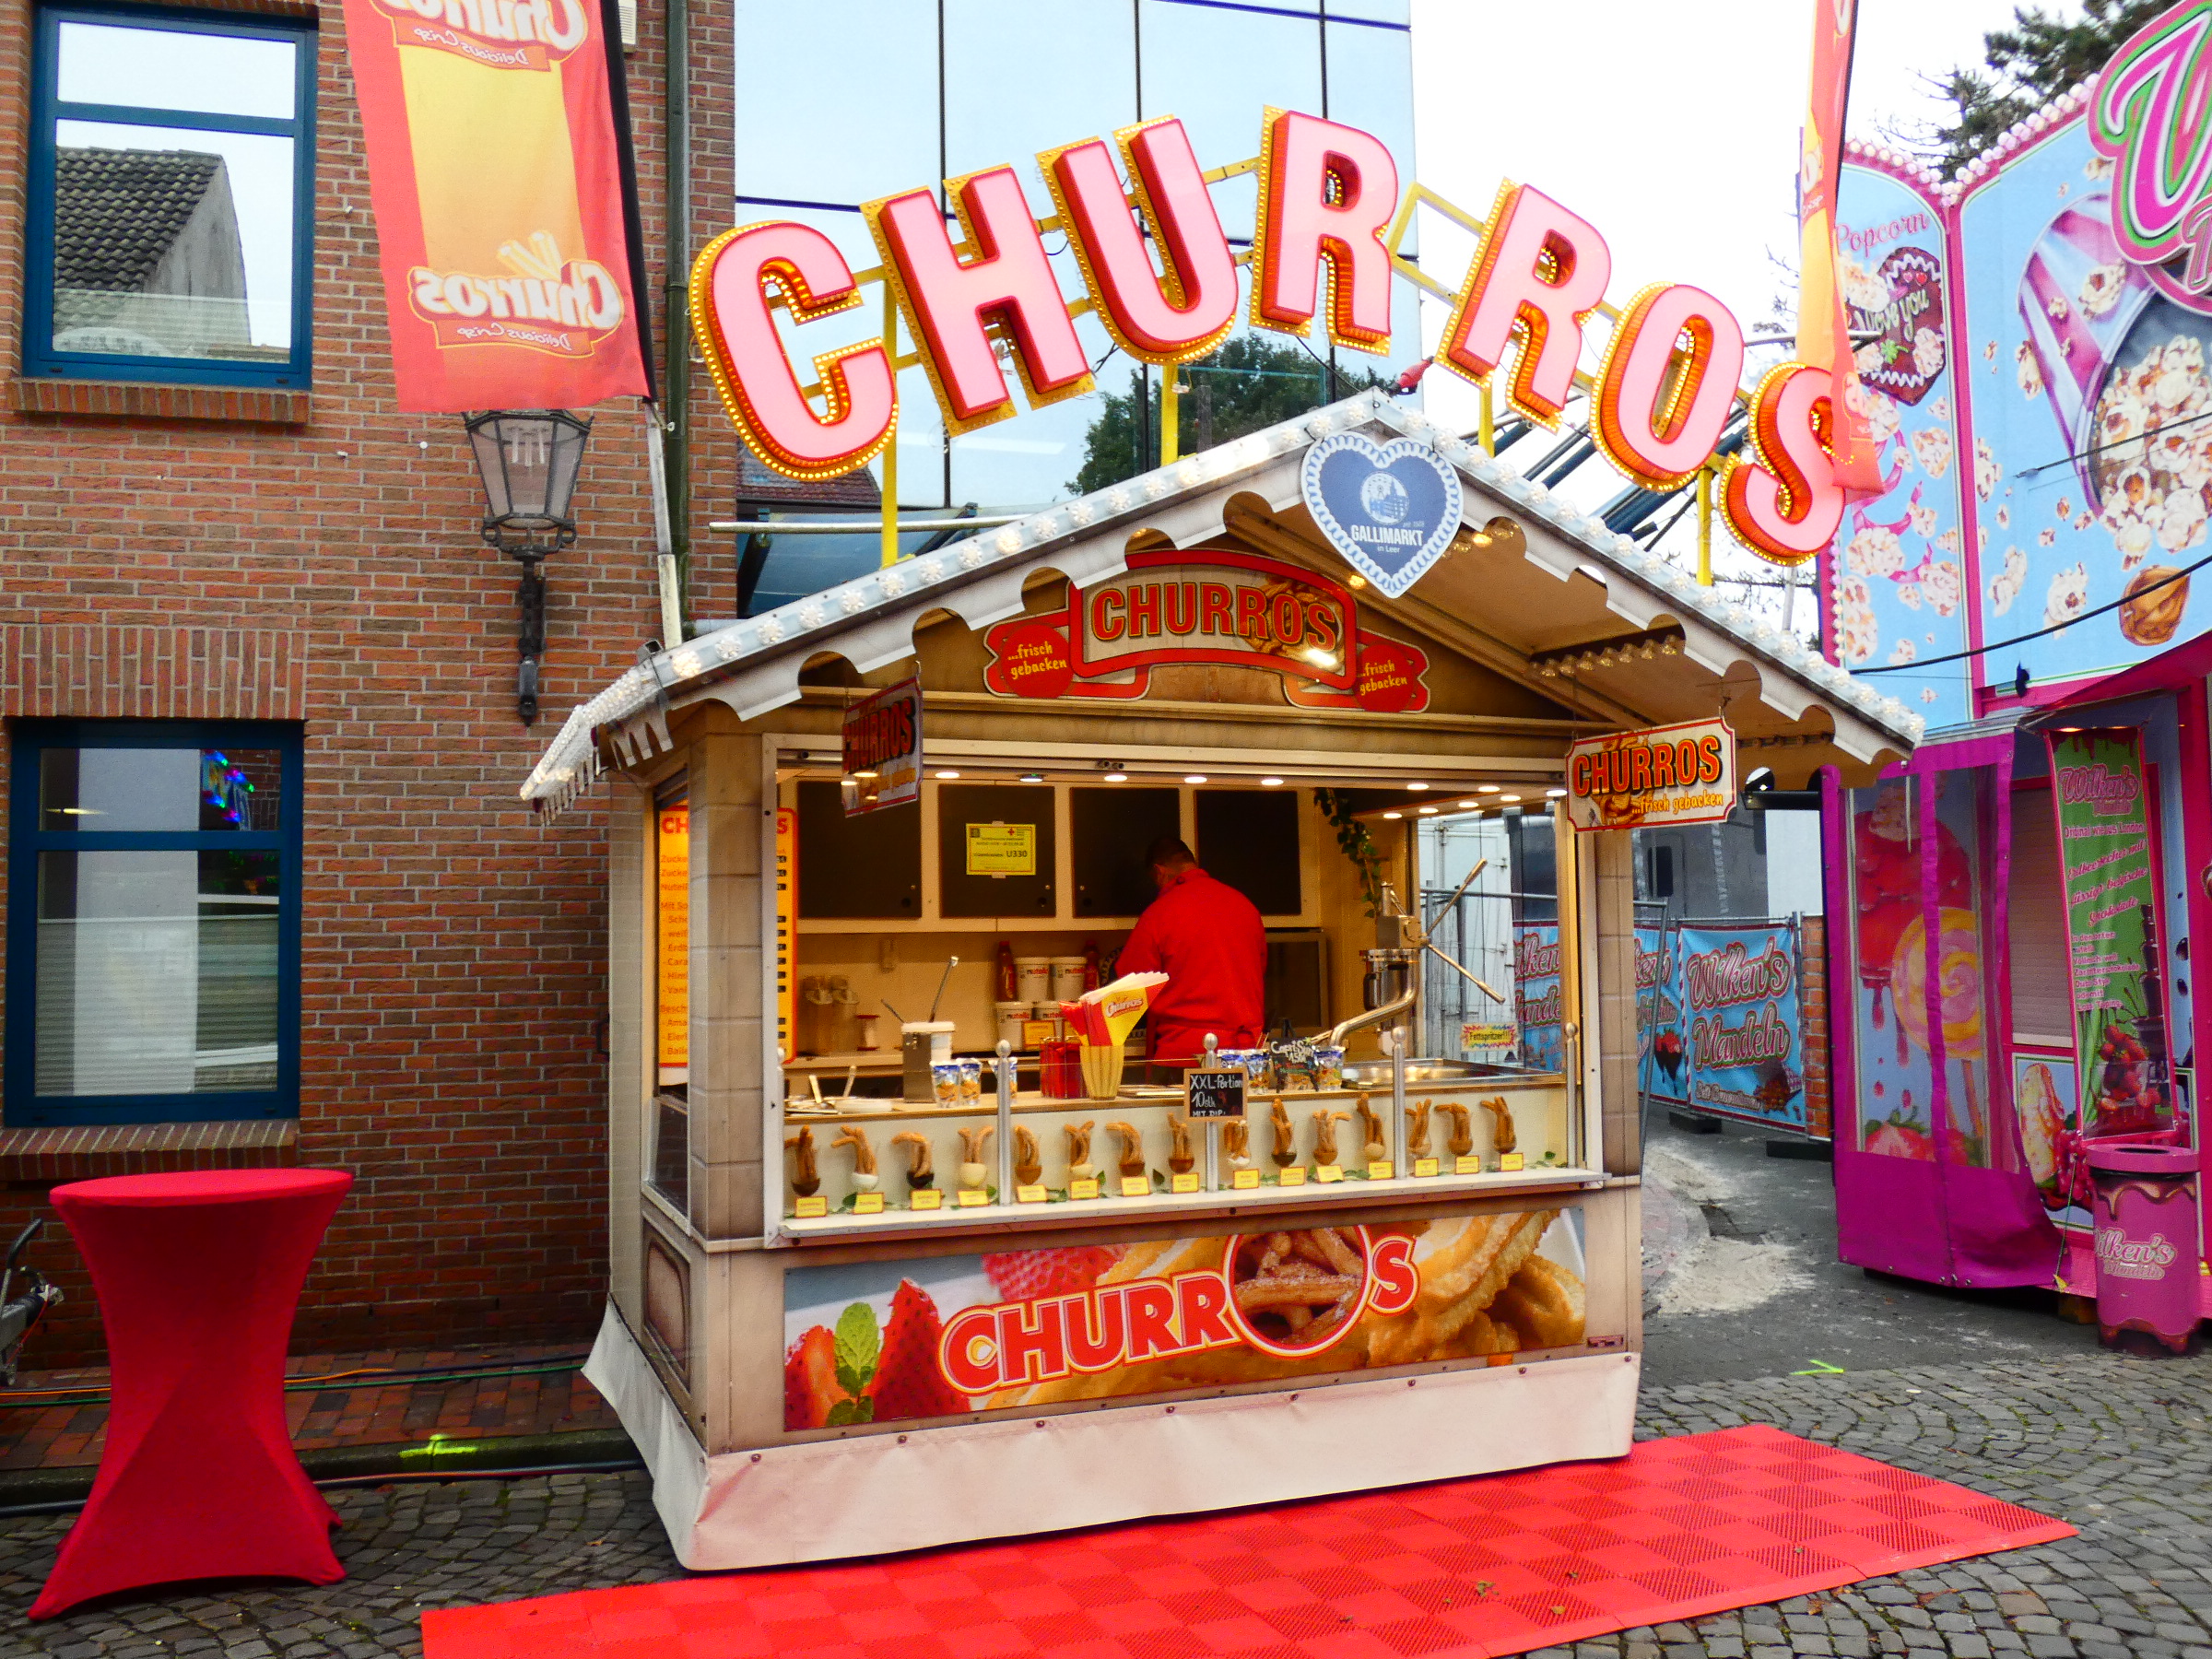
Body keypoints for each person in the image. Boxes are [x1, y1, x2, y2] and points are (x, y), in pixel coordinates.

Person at [1115, 834, 1265, 1063]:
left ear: (1159, 872)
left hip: (1186, 1052)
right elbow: (1259, 969)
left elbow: (1131, 987)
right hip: (1247, 1052)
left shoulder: (1159, 914)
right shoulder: (1245, 906)